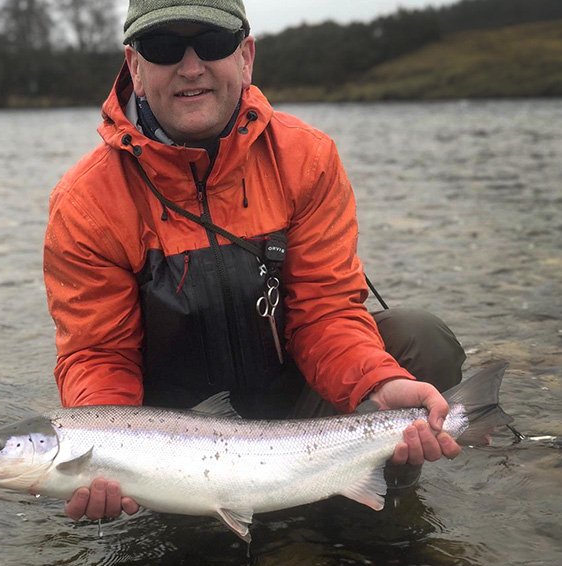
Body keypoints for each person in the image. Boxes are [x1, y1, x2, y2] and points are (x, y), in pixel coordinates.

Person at [42, 0, 467, 523]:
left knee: (419, 339)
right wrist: (107, 455)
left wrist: (379, 383)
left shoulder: (306, 158)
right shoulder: (86, 202)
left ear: (245, 57)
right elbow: (99, 354)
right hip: (173, 451)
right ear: (135, 66)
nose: (191, 67)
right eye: (164, 47)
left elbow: (326, 312)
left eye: (213, 43)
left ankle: (373, 504)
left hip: (297, 418)